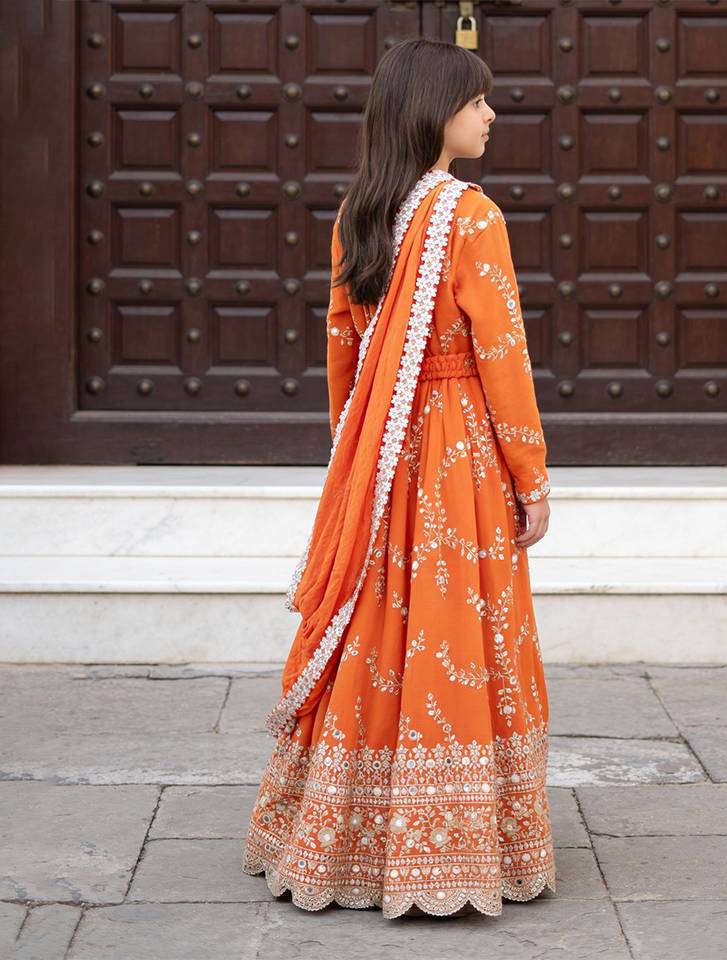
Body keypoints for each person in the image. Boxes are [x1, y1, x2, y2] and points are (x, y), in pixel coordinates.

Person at [242, 36, 556, 920]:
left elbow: (345, 361)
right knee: (457, 625)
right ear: (434, 111)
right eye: (476, 101)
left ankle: (345, 835)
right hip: (457, 453)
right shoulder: (470, 216)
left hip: (381, 452)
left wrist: (358, 456)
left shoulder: (357, 215)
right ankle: (452, 846)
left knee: (378, 628)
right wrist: (531, 473)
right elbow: (502, 356)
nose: (491, 116)